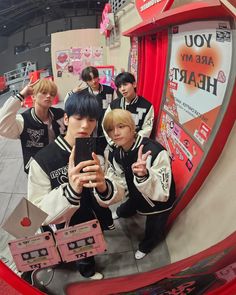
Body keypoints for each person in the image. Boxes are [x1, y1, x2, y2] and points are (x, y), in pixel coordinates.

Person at [27, 91, 123, 280]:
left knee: (87, 254)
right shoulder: (43, 160)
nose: (85, 125)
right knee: (63, 253)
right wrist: (70, 190)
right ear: (66, 119)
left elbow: (118, 188)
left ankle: (87, 271)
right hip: (62, 226)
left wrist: (104, 186)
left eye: (92, 120)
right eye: (78, 118)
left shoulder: (96, 152)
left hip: (91, 221)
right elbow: (35, 210)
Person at [103, 109, 176, 260]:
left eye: (121, 126)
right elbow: (119, 175)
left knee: (154, 227)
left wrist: (144, 176)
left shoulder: (155, 152)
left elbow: (163, 193)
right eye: (110, 129)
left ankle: (147, 246)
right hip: (136, 193)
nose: (115, 133)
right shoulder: (118, 152)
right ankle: (123, 212)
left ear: (132, 127)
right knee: (130, 204)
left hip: (158, 202)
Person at [0, 78, 66, 173]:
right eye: (43, 92)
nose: (48, 96)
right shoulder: (23, 120)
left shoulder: (60, 114)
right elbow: (1, 123)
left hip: (60, 166)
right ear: (33, 97)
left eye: (52, 94)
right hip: (37, 170)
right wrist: (22, 95)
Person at [66, 66, 116, 152]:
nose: (94, 81)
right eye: (90, 80)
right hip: (88, 133)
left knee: (107, 154)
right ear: (86, 81)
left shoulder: (109, 90)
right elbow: (68, 105)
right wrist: (72, 92)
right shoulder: (83, 93)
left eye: (95, 77)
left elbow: (116, 107)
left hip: (105, 132)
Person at [103, 72, 154, 147]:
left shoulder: (147, 106)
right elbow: (105, 124)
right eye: (119, 87)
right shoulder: (114, 105)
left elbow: (147, 129)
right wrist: (113, 142)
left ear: (134, 84)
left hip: (136, 148)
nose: (122, 89)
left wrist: (132, 143)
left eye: (125, 84)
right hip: (115, 147)